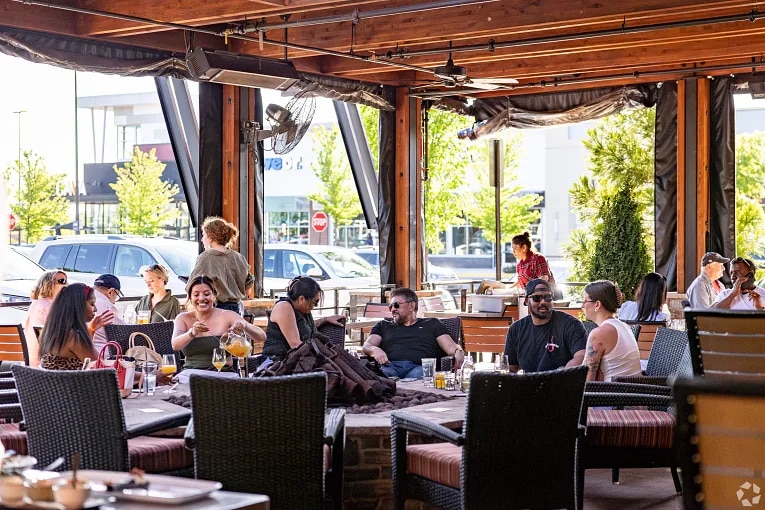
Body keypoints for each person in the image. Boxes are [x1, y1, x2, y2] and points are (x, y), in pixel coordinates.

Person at [362, 288, 465, 379]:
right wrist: (374, 350)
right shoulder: (383, 325)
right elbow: (367, 346)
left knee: (417, 382)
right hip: (390, 367)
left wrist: (458, 350)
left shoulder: (432, 323)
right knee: (381, 381)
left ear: (411, 306)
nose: (393, 309)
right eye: (390, 307)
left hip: (420, 368)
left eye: (396, 305)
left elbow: (450, 346)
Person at [172, 275, 265, 371]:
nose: (201, 298)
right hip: (191, 375)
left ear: (214, 296)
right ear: (190, 298)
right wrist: (192, 333)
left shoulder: (226, 315)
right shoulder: (183, 318)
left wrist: (245, 326)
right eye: (196, 295)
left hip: (222, 375)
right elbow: (175, 345)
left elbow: (262, 336)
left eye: (207, 294)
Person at [504, 279, 586, 373]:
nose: (543, 302)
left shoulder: (571, 325)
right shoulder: (516, 329)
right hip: (529, 385)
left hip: (561, 384)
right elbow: (510, 368)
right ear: (527, 301)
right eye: (537, 298)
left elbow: (582, 357)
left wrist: (562, 376)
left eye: (548, 297)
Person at [261, 276, 346, 362]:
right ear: (302, 299)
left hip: (294, 361)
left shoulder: (304, 311)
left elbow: (301, 326)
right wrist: (322, 358)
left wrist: (324, 320)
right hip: (276, 362)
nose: (315, 306)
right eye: (315, 303)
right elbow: (295, 344)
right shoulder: (284, 307)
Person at [39, 283, 114, 370]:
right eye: (92, 304)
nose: (96, 309)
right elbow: (101, 367)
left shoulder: (49, 332)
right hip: (77, 383)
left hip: (55, 382)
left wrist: (91, 330)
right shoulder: (74, 338)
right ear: (78, 306)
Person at [189, 217, 254, 313]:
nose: (202, 239)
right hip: (237, 310)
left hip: (215, 310)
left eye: (204, 235)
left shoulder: (205, 258)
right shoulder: (239, 258)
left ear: (210, 237)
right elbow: (248, 290)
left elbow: (192, 286)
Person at [581, 280, 642, 382]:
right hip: (636, 393)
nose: (582, 305)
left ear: (597, 304)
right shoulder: (624, 326)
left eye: (584, 301)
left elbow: (587, 380)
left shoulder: (599, 334)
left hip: (612, 394)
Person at [23, 269, 68, 367]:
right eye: (62, 281)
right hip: (44, 363)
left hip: (29, 362)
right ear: (48, 284)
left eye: (66, 281)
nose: (66, 284)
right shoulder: (49, 306)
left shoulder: (36, 303)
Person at [92, 274, 125, 351]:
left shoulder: (83, 298)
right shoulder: (106, 305)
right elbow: (123, 331)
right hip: (103, 352)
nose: (114, 302)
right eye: (116, 296)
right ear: (110, 292)